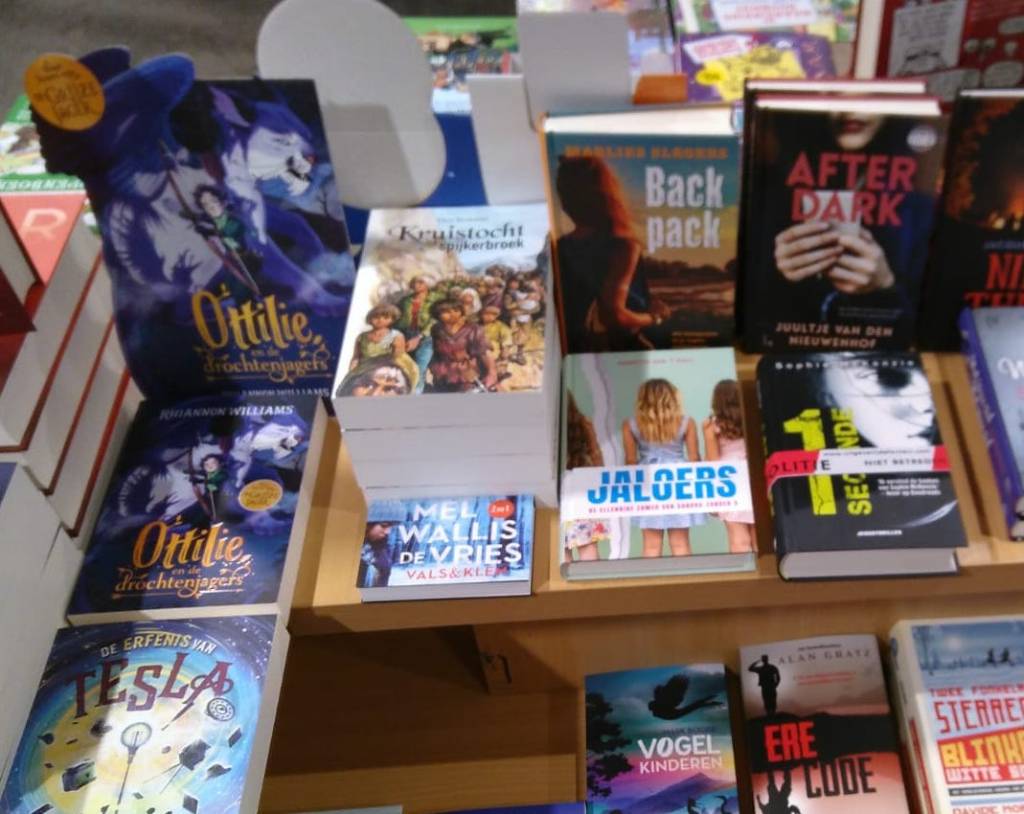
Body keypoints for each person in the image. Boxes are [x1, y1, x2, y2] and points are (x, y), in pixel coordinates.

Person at [757, 111, 937, 346]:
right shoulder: (768, 193)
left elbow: (920, 338)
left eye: (871, 96)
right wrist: (776, 277)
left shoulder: (920, 211)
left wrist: (884, 289)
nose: (849, 111)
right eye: (834, 95)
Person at [554, 155, 670, 352]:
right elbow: (613, 316)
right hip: (617, 351)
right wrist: (655, 317)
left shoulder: (560, 246)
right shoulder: (623, 246)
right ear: (608, 194)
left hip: (574, 351)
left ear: (566, 201)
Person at [623, 378, 704, 557]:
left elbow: (630, 461)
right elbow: (694, 459)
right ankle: (686, 577)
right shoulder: (687, 422)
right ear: (672, 397)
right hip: (679, 481)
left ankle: (651, 577)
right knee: (681, 544)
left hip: (647, 481)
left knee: (651, 546)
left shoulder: (630, 424)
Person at [703, 379, 755, 553]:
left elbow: (713, 461)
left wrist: (711, 497)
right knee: (760, 539)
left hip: (728, 481)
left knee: (738, 540)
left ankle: (744, 571)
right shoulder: (752, 419)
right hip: (753, 478)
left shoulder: (711, 425)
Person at [344, 303, 419, 394]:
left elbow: (398, 356)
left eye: (385, 317)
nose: (380, 320)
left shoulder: (394, 335)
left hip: (388, 366)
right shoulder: (362, 337)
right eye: (376, 317)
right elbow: (356, 356)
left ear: (392, 320)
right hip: (366, 367)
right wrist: (352, 370)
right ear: (370, 319)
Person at [427, 299, 497, 393]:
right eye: (446, 312)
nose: (453, 314)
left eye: (456, 310)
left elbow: (485, 352)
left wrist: (492, 373)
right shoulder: (436, 329)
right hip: (443, 374)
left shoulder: (473, 329)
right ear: (437, 314)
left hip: (467, 374)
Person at [396, 275, 440, 393]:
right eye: (414, 282)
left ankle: (417, 393)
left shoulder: (435, 299)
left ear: (428, 284)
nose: (416, 285)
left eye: (420, 282)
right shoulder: (405, 301)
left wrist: (419, 337)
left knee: (420, 367)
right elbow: (399, 319)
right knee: (405, 366)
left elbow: (435, 320)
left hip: (427, 336)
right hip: (406, 335)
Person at [480, 305, 514, 382]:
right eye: (486, 314)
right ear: (481, 315)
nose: (489, 316)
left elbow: (506, 337)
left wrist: (505, 349)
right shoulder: (477, 326)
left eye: (492, 315)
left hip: (495, 349)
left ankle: (500, 373)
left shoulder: (500, 326)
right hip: (481, 349)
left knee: (499, 361)